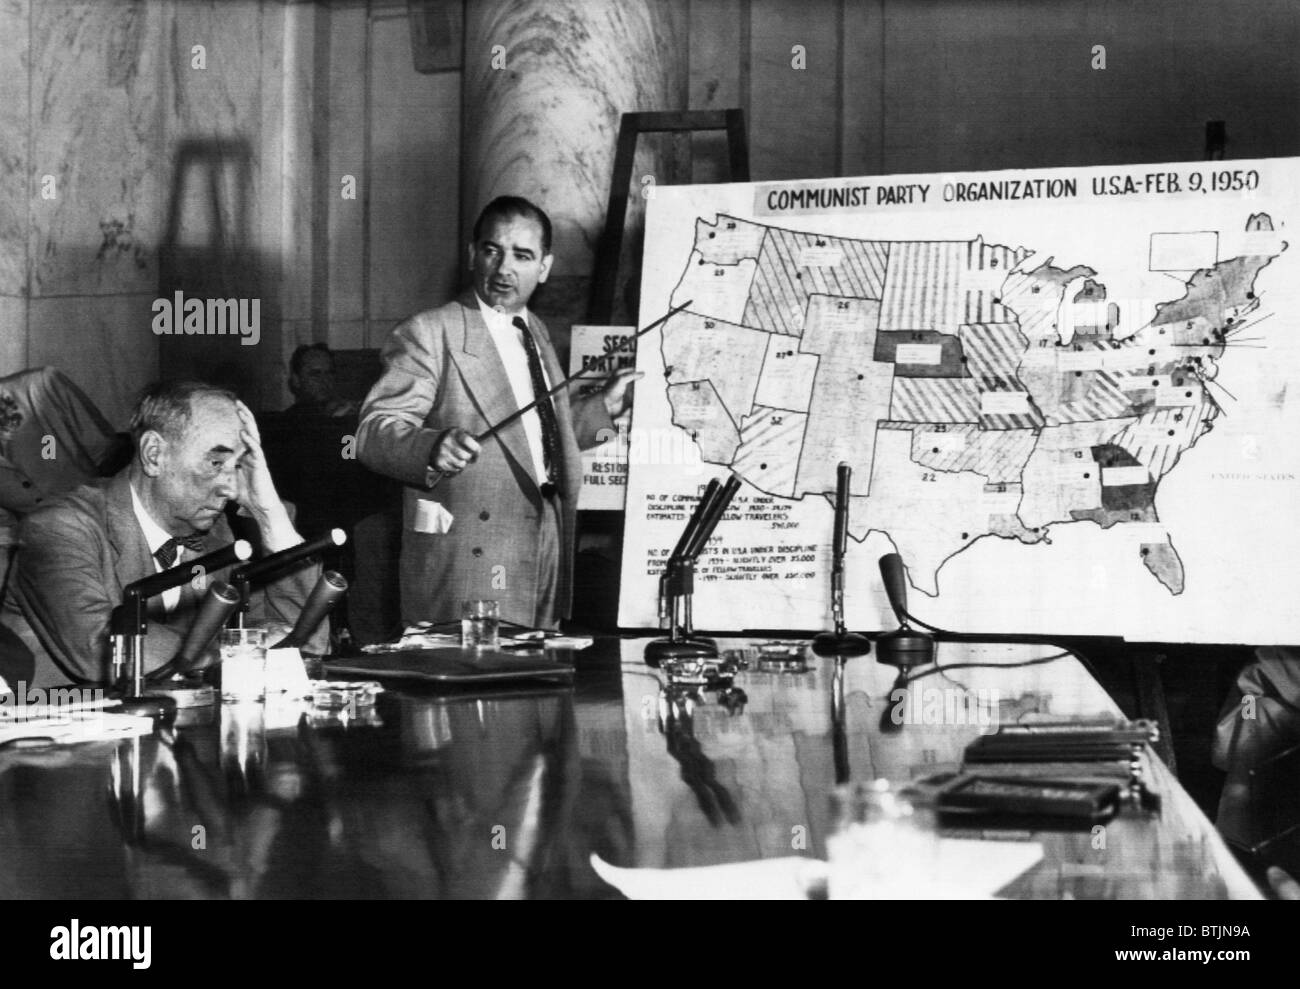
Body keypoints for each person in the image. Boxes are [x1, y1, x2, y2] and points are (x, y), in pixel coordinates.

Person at [357, 196, 639, 629]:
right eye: (493, 250)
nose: (504, 268)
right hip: (472, 552)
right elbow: (373, 434)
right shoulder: (430, 332)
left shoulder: (536, 330)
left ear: (544, 267)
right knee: (477, 685)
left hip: (546, 538)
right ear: (473, 254)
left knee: (538, 678)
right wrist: (430, 446)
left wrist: (603, 408)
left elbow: (528, 436)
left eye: (522, 256)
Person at [1, 380, 327, 688]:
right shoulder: (59, 528)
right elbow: (105, 648)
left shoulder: (219, 537)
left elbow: (303, 644)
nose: (230, 489)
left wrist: (270, 516)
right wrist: (239, 654)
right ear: (154, 454)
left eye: (239, 466)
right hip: (47, 735)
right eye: (215, 462)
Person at [0, 367, 130, 594]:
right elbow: (7, 528)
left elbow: (112, 454)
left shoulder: (43, 385)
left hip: (113, 525)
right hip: (50, 555)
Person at [285, 343, 359, 417]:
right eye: (315, 374)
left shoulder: (348, 413)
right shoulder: (284, 422)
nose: (325, 380)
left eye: (329, 373)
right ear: (296, 380)